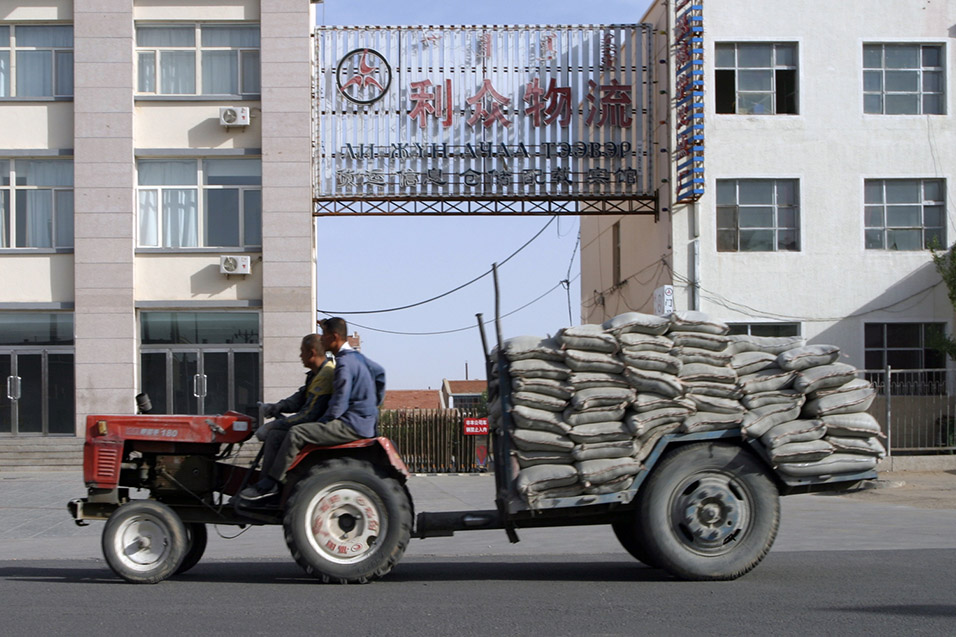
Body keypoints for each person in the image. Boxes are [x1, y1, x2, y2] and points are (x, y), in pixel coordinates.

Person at [239, 317, 386, 502]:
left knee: (296, 433)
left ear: (333, 337)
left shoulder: (343, 365)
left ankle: (272, 482)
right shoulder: (355, 358)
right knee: (279, 434)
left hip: (351, 424)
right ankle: (270, 483)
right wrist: (373, 407)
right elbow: (380, 374)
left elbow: (339, 401)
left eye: (324, 335)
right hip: (362, 421)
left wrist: (327, 421)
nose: (322, 339)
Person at [248, 333, 336, 497]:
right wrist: (277, 406)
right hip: (314, 424)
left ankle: (271, 483)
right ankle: (266, 483)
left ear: (312, 353)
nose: (300, 356)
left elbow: (308, 415)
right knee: (275, 435)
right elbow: (299, 398)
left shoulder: (325, 375)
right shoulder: (316, 374)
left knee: (276, 434)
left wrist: (274, 424)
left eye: (302, 351)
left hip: (319, 427)